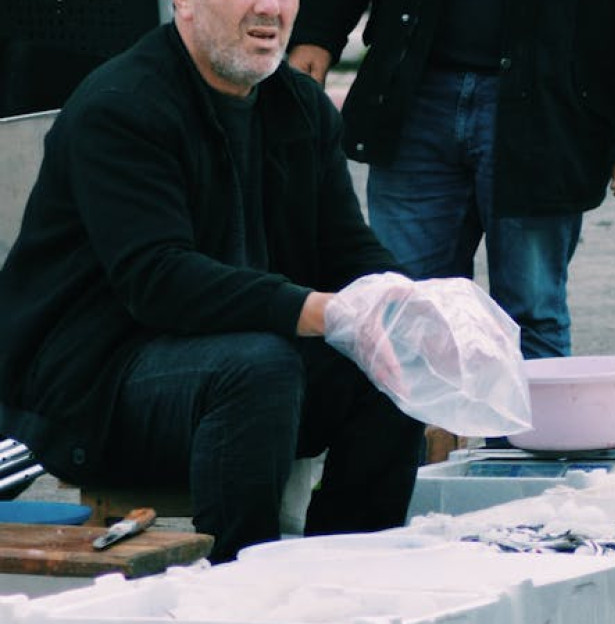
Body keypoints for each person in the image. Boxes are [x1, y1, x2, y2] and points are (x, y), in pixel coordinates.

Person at [0, 0, 427, 564]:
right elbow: (158, 279)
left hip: (235, 367)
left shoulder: (298, 104)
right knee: (258, 365)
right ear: (183, 5)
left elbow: (346, 248)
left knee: (390, 365)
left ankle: (345, 568)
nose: (269, 9)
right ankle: (237, 579)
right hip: (96, 385)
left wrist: (406, 305)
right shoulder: (122, 105)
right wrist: (318, 310)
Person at [286, 0, 615, 360]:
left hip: (548, 106)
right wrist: (317, 33)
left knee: (530, 313)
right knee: (403, 306)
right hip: (414, 94)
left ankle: (531, 447)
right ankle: (409, 448)